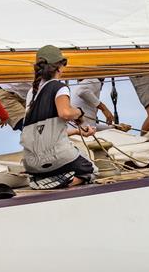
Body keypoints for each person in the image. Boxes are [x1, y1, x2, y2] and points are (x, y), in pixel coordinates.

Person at [20, 45, 96, 190]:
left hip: (32, 163)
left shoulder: (32, 92)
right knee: (89, 169)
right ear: (59, 67)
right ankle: (63, 183)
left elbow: (41, 132)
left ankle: (44, 179)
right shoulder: (59, 87)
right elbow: (65, 113)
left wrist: (77, 131)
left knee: (58, 164)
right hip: (57, 159)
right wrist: (79, 112)